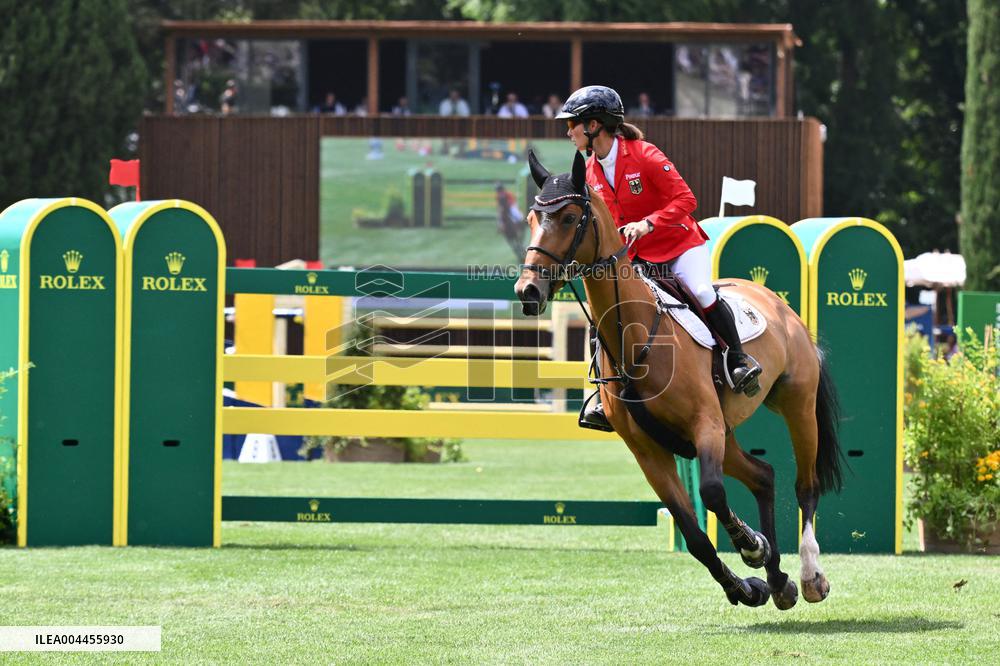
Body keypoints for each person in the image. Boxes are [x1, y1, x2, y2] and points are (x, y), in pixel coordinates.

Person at [555, 85, 762, 430]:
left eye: (573, 124)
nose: (568, 131)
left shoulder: (645, 155)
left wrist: (649, 223)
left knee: (701, 291)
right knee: (607, 311)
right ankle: (604, 395)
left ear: (594, 125)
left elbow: (686, 200)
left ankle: (738, 360)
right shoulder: (590, 171)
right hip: (638, 257)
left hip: (679, 245)